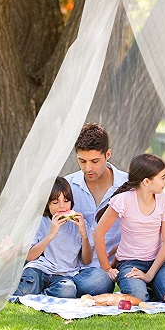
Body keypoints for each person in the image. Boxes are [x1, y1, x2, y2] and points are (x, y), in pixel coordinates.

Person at [93, 153, 165, 302]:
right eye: (162, 177)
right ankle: (143, 287)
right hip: (129, 262)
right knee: (137, 298)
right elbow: (98, 233)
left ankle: (148, 283)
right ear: (146, 181)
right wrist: (107, 268)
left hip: (157, 262)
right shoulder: (123, 200)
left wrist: (149, 275)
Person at [65, 123, 128, 296]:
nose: (88, 168)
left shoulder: (127, 185)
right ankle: (61, 285)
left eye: (94, 161)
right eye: (82, 161)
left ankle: (62, 287)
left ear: (108, 154)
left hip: (107, 267)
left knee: (99, 283)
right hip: (71, 265)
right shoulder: (68, 185)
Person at [13, 177, 93, 298]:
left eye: (66, 201)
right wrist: (51, 234)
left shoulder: (80, 223)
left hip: (64, 275)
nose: (62, 206)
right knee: (24, 290)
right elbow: (30, 256)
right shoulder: (39, 222)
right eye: (55, 202)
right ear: (46, 204)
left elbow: (87, 260)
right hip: (40, 270)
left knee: (68, 290)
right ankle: (32, 291)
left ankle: (40, 295)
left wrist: (84, 234)